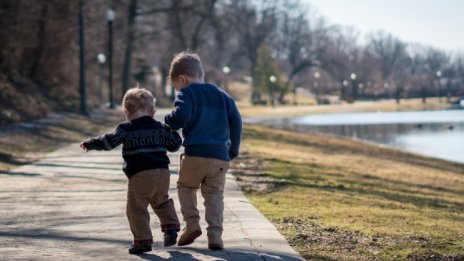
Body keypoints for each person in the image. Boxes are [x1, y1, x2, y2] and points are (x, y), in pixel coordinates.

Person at [80, 87, 181, 254]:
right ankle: (170, 228)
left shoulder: (125, 128)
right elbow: (174, 145)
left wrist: (91, 143)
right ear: (153, 112)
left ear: (126, 111)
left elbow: (109, 142)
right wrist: (174, 131)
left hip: (140, 175)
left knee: (136, 208)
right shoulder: (160, 127)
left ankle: (142, 241)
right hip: (163, 173)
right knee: (161, 201)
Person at [165, 52, 242, 250]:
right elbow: (237, 121)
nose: (177, 90)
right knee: (215, 195)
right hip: (219, 157)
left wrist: (169, 121)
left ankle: (191, 224)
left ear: (183, 79)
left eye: (176, 86)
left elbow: (180, 116)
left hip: (195, 154)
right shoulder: (222, 95)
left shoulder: (187, 93)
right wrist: (232, 149)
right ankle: (215, 235)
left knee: (186, 187)